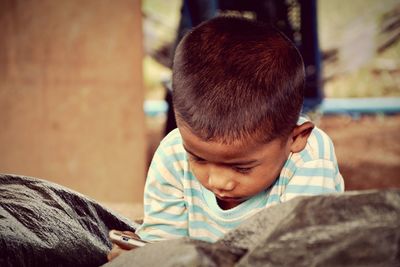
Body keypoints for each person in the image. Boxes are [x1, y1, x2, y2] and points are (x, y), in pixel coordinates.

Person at [108, 15, 344, 261]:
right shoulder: (174, 154)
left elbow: (300, 255)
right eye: (198, 159)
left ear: (296, 138)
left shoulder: (310, 159)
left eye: (241, 167)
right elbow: (166, 244)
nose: (219, 182)